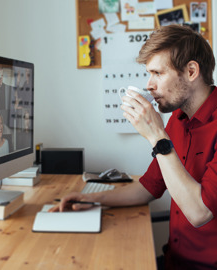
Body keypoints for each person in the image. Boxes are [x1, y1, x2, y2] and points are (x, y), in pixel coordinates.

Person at [50, 25, 217, 270]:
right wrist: (91, 200)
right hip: (173, 260)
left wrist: (158, 138)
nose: (149, 85)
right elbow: (148, 188)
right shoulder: (178, 119)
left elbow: (200, 213)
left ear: (191, 71)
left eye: (157, 73)